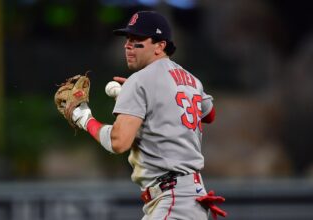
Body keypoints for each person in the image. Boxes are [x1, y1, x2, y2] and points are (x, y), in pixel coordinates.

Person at [70, 11, 226, 219]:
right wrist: (151, 100)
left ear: (160, 45)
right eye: (127, 40)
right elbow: (210, 114)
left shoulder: (140, 81)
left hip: (173, 201)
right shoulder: (191, 80)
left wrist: (84, 119)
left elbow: (119, 142)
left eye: (137, 40)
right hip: (191, 198)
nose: (128, 46)